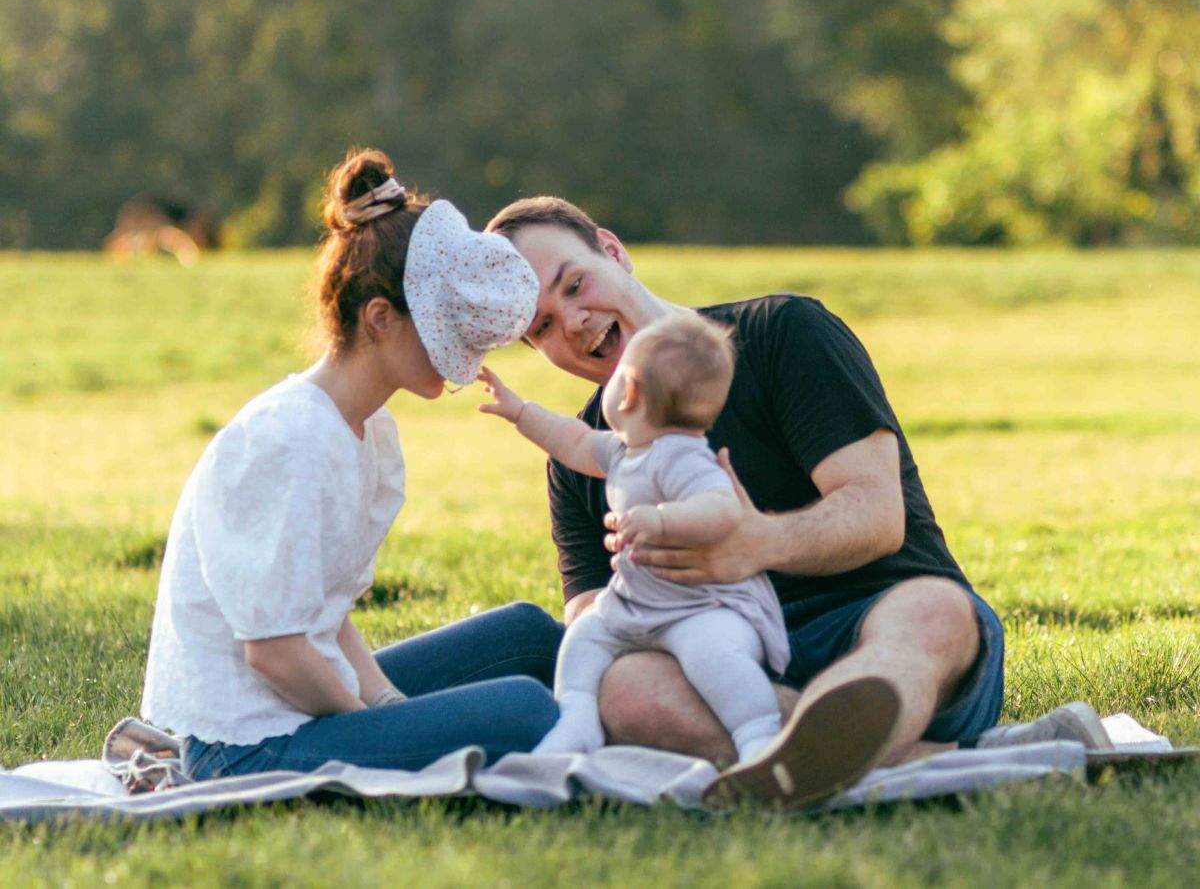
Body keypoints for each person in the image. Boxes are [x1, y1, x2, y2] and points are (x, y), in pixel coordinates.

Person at [483, 195, 1009, 806]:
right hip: (728, 673)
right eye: (542, 326)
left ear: (613, 251)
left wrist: (756, 543)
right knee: (624, 689)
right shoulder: (582, 457)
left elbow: (877, 514)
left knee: (933, 611)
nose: (573, 321)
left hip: (875, 614)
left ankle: (833, 739)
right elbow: (597, 621)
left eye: (575, 284)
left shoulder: (783, 333)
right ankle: (884, 756)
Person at [140, 149, 563, 780]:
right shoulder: (290, 439)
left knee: (528, 635)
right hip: (249, 744)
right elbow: (275, 652)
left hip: (304, 702)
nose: (467, 362)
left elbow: (324, 615)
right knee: (528, 711)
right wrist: (372, 724)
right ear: (380, 319)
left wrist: (390, 704)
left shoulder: (358, 428)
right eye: (447, 333)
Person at [480, 313, 886, 779]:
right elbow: (572, 442)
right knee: (585, 638)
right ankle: (579, 719)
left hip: (704, 609)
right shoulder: (625, 449)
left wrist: (659, 519)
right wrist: (520, 412)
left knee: (716, 660)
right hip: (637, 605)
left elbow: (721, 509)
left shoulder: (683, 456)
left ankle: (757, 734)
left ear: (628, 391)